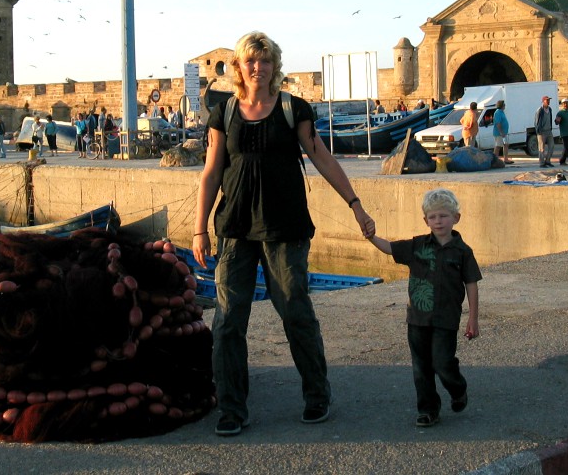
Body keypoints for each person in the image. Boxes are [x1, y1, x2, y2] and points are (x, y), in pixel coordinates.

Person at [193, 31, 375, 437]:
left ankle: (316, 394)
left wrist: (356, 204)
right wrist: (198, 228)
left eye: (265, 60)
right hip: (235, 230)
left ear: (275, 65)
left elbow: (322, 157)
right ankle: (232, 407)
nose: (257, 67)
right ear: (239, 68)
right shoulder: (223, 113)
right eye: (250, 61)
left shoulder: (294, 108)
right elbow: (211, 171)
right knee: (227, 321)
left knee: (295, 312)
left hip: (285, 229)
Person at [368, 188, 480, 428]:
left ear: (456, 218)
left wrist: (474, 318)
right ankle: (428, 410)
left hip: (446, 319)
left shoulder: (463, 252)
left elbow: (471, 283)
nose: (438, 221)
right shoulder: (417, 245)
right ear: (425, 220)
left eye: (443, 216)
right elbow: (389, 248)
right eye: (433, 217)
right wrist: (371, 237)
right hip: (417, 318)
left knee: (442, 362)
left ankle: (458, 388)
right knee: (421, 368)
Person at [535, 95, 554, 167]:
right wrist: (538, 131)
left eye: (549, 100)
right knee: (541, 148)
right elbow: (536, 121)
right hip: (542, 131)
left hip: (549, 131)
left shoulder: (550, 109)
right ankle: (542, 163)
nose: (548, 101)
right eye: (547, 100)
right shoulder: (540, 110)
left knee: (551, 146)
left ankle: (548, 161)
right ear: (543, 101)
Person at [492, 100, 514, 164]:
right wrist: (501, 132)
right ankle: (495, 160)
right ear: (501, 105)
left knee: (506, 145)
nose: (505, 106)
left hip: (504, 132)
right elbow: (498, 123)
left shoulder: (502, 112)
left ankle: (506, 159)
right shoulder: (497, 113)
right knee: (498, 146)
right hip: (499, 133)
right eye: (504, 105)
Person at [555, 98, 568, 165]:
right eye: (564, 103)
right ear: (562, 104)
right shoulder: (560, 113)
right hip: (565, 134)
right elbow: (556, 122)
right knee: (567, 148)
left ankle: (562, 161)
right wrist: (557, 121)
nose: (565, 104)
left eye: (566, 103)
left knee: (566, 148)